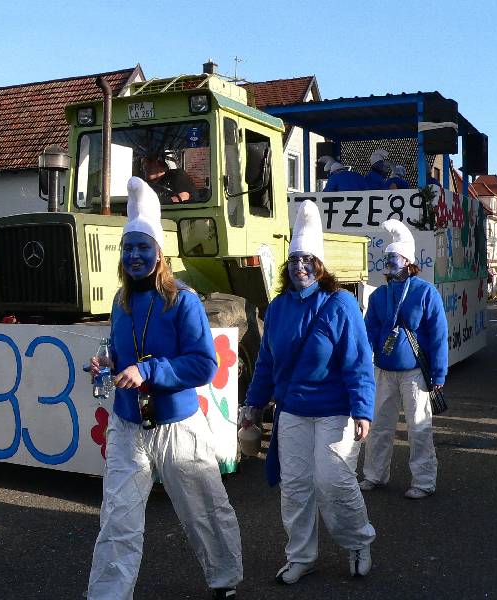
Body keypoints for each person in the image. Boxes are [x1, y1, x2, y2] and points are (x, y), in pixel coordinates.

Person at [87, 177, 242, 600]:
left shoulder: (183, 301)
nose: (135, 256)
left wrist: (148, 371)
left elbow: (203, 364)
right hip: (127, 424)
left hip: (177, 424)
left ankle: (224, 578)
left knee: (204, 510)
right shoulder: (120, 301)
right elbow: (122, 352)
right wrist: (108, 364)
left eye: (143, 248)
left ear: (159, 253)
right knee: (117, 518)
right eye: (128, 248)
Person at [242, 200, 376, 586]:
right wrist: (253, 404)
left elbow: (358, 361)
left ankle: (358, 542)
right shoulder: (278, 308)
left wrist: (363, 408)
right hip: (293, 411)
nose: (299, 266)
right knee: (296, 487)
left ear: (320, 265)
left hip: (335, 409)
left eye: (307, 260)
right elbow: (266, 362)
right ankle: (301, 556)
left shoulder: (340, 304)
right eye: (294, 259)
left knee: (333, 482)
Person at [360, 219, 448, 499]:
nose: (388, 263)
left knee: (418, 427)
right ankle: (374, 475)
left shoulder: (425, 292)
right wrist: (367, 362)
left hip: (414, 373)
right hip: (383, 370)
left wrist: (439, 373)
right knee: (379, 426)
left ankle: (424, 481)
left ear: (408, 261)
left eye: (393, 258)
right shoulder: (380, 295)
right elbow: (369, 330)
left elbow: (438, 335)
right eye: (386, 258)